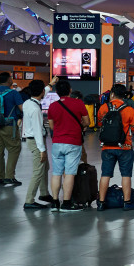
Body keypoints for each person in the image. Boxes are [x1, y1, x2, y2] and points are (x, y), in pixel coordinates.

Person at [95, 84, 134, 211]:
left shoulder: (104, 108)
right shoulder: (130, 110)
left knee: (105, 175)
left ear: (112, 94)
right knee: (126, 175)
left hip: (106, 147)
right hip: (124, 147)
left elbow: (100, 124)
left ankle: (101, 203)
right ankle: (127, 203)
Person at [47, 79, 89, 211]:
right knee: (70, 173)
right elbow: (87, 122)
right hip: (73, 142)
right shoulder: (78, 103)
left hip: (57, 143)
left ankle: (54, 202)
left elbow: (52, 126)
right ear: (70, 90)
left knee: (56, 173)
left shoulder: (53, 106)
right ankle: (66, 203)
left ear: (56, 92)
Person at [0, 72, 24, 187]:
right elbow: (21, 108)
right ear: (8, 80)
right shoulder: (13, 93)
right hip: (9, 125)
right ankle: (9, 176)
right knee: (14, 149)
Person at [20, 80, 51, 209]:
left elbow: (42, 92)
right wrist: (42, 150)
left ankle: (44, 193)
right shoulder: (35, 110)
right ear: (42, 92)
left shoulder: (28, 103)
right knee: (38, 171)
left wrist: (49, 86)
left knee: (45, 167)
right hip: (36, 141)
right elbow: (38, 131)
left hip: (31, 139)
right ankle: (29, 200)